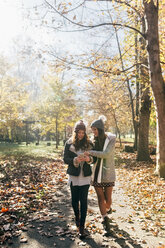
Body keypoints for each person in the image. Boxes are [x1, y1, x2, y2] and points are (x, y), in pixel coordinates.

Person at [84, 116, 116, 233]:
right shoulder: (93, 141)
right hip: (96, 173)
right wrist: (88, 159)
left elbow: (106, 154)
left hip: (108, 172)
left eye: (95, 129)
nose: (94, 132)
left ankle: (108, 208)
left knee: (108, 200)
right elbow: (93, 159)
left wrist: (91, 152)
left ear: (101, 129)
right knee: (100, 198)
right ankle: (105, 219)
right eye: (92, 130)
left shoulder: (111, 139)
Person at [63, 120, 93, 238]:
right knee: (74, 200)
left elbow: (94, 159)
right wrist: (75, 160)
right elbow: (65, 159)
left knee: (84, 201)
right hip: (74, 176)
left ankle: (82, 227)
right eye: (79, 132)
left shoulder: (89, 144)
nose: (81, 134)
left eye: (83, 132)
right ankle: (77, 216)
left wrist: (88, 160)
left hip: (85, 176)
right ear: (75, 132)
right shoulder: (69, 143)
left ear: (85, 132)